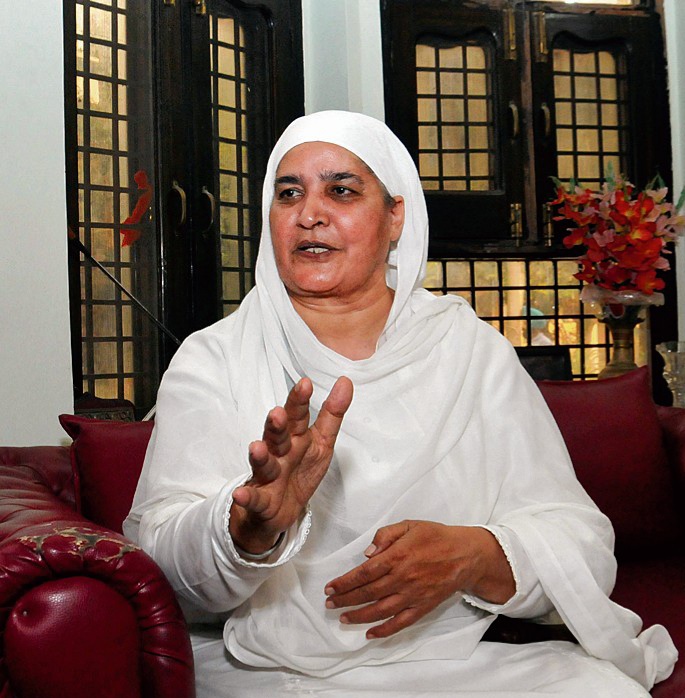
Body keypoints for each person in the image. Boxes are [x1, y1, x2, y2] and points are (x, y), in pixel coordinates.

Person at [124, 110, 676, 697]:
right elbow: (156, 567)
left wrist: (475, 555)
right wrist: (244, 530)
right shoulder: (213, 359)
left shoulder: (468, 350)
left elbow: (581, 546)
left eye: (341, 190)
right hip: (267, 669)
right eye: (289, 194)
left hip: (459, 662)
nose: (309, 214)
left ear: (395, 217)